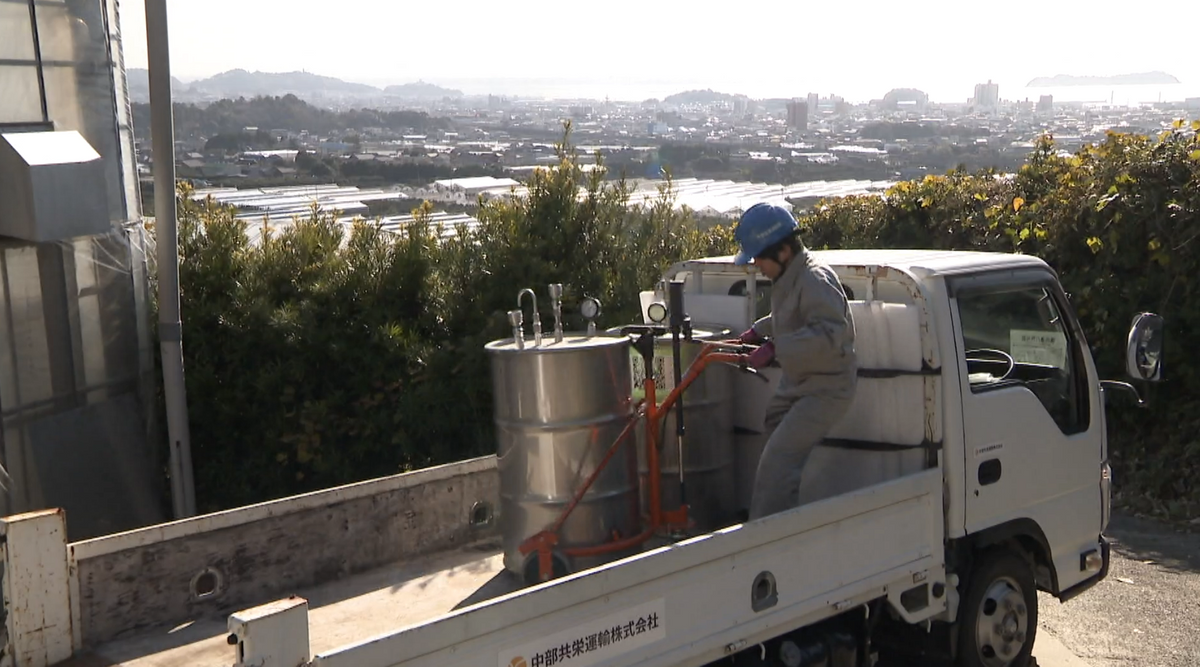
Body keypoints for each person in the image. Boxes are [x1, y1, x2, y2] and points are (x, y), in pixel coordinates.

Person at [732, 202, 858, 520]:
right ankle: (781, 514)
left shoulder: (815, 278)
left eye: (759, 257)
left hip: (826, 389)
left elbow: (830, 335)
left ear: (783, 251)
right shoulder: (791, 276)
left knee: (778, 459)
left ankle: (770, 536)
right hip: (797, 383)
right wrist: (757, 331)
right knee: (772, 436)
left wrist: (776, 348)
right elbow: (788, 316)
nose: (757, 265)